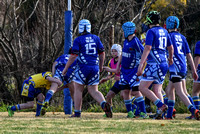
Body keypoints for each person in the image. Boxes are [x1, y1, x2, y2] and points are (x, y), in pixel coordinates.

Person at [62, 19, 112, 118]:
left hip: (82, 68)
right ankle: (103, 103)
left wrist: (66, 68)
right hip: (94, 67)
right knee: (94, 90)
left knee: (78, 90)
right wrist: (101, 66)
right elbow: (102, 53)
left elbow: (73, 56)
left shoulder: (78, 40)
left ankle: (77, 113)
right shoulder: (96, 38)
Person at [106, 22, 148, 118]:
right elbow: (122, 55)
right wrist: (117, 68)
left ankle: (143, 112)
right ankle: (130, 113)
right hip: (124, 71)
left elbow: (144, 55)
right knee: (125, 91)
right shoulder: (125, 41)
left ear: (128, 30)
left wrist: (141, 68)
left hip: (133, 71)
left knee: (136, 91)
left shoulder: (136, 42)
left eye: (124, 30)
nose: (123, 32)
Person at [137, 11, 174, 119]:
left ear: (150, 20)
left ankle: (160, 105)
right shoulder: (165, 31)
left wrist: (141, 64)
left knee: (142, 87)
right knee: (157, 89)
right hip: (164, 63)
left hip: (154, 63)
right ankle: (160, 115)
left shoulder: (150, 31)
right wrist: (170, 58)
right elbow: (170, 48)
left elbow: (147, 48)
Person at [164, 16, 199, 120]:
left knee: (179, 92)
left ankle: (194, 111)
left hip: (174, 67)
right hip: (182, 66)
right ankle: (170, 115)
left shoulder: (168, 36)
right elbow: (189, 55)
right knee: (169, 90)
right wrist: (193, 70)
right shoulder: (182, 37)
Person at [100, 44, 123, 111]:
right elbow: (111, 74)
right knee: (108, 96)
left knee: (123, 95)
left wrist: (109, 70)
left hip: (124, 81)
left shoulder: (122, 61)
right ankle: (109, 110)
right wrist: (106, 79)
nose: (113, 53)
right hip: (117, 82)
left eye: (115, 51)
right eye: (112, 51)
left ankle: (133, 109)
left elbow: (119, 71)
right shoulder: (111, 62)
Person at [192, 41, 200, 110]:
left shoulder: (199, 43)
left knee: (195, 92)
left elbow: (197, 57)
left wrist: (194, 70)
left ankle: (197, 111)